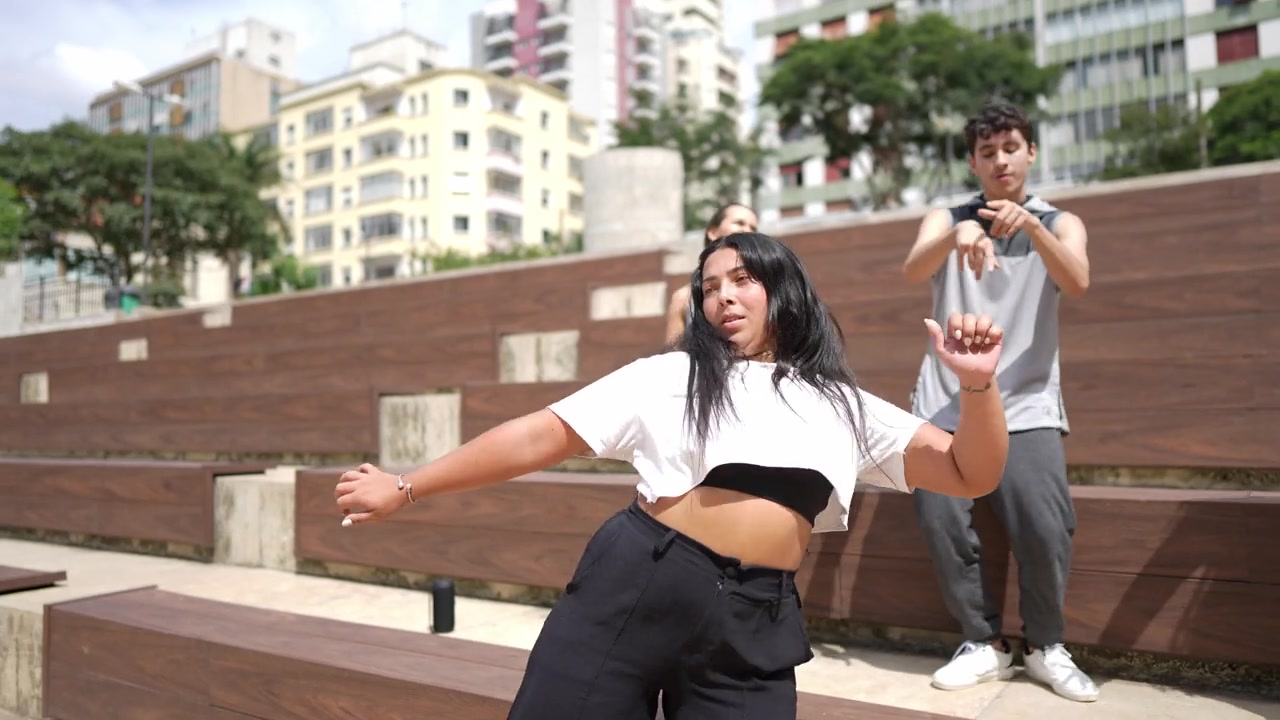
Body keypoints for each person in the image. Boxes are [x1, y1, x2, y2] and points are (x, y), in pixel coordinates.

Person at [336, 231, 1011, 720]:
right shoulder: (672, 375)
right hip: (641, 581)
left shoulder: (843, 403)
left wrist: (978, 387)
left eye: (742, 279)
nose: (723, 297)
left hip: (755, 614)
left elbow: (968, 471)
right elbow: (542, 435)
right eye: (709, 288)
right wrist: (406, 486)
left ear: (784, 289)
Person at [901, 102, 1097, 702]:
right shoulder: (948, 217)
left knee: (1045, 524)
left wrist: (1032, 228)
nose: (1000, 160)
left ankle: (1045, 646)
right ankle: (982, 641)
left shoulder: (1060, 222)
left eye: (1011, 148)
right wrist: (957, 233)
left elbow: (1078, 280)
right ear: (973, 162)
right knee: (941, 520)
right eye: (987, 152)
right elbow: (913, 271)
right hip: (945, 403)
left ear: (1030, 153)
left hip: (1027, 402)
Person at [664, 202, 759, 345]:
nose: (747, 230)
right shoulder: (683, 298)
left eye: (753, 228)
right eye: (739, 223)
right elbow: (673, 353)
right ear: (712, 232)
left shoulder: (767, 285)